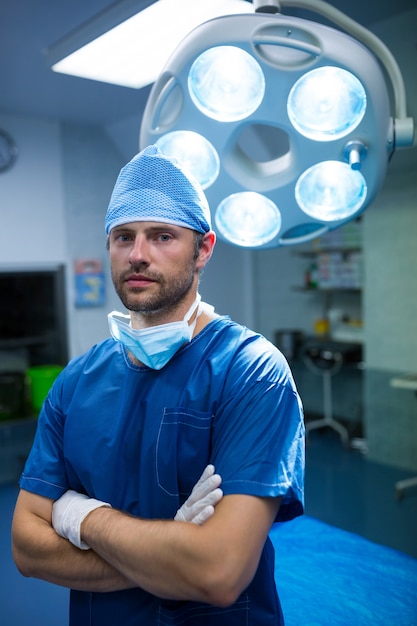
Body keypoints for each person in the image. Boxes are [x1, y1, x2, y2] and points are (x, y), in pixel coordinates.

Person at [12, 145, 305, 625]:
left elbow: (217, 572)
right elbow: (27, 547)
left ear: (203, 249)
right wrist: (171, 551)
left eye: (162, 236)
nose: (138, 255)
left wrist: (80, 517)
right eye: (123, 236)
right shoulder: (76, 381)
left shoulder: (251, 372)